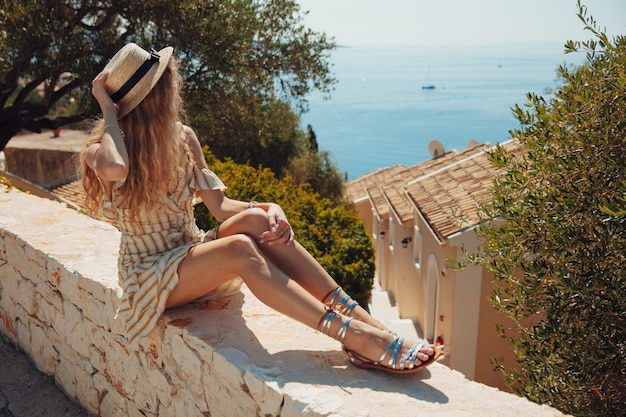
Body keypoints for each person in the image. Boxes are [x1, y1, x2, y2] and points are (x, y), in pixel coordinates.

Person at [80, 43, 441, 374]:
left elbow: (220, 208)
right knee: (239, 248)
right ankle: (355, 337)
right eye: (166, 86)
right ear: (154, 97)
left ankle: (366, 321)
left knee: (255, 220)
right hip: (148, 275)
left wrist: (271, 206)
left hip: (188, 254)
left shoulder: (182, 137)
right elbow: (116, 169)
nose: (173, 92)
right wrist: (109, 113)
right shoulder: (105, 149)